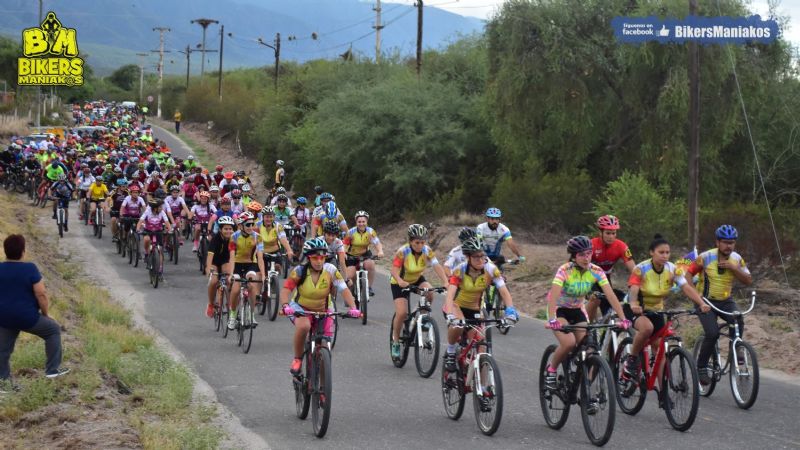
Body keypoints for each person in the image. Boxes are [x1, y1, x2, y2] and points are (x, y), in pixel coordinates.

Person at [543, 236, 629, 391]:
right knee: (568, 343)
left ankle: (583, 384)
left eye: (589, 254)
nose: (586, 258)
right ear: (574, 256)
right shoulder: (564, 270)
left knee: (588, 347)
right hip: (559, 309)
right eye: (581, 255)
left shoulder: (596, 271)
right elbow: (554, 296)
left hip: (577, 309)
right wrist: (551, 319)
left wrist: (623, 318)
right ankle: (551, 370)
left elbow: (610, 295)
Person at [621, 235, 707, 384]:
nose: (665, 256)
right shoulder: (641, 268)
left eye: (667, 252)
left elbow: (686, 287)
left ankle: (663, 393)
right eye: (661, 252)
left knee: (659, 350)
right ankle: (632, 359)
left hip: (657, 310)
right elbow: (634, 289)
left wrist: (701, 303)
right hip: (635, 308)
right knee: (647, 328)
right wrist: (634, 304)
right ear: (651, 253)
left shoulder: (672, 269)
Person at [279, 238, 360, 375]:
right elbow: (286, 289)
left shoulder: (331, 270)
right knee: (304, 326)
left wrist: (353, 308)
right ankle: (298, 359)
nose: (319, 261)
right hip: (301, 308)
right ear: (308, 258)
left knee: (324, 348)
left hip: (324, 309)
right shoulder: (299, 271)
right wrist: (285, 305)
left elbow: (343, 289)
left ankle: (323, 390)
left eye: (322, 257)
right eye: (315, 258)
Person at [685, 225, 752, 385]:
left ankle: (735, 351)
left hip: (726, 301)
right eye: (725, 242)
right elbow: (687, 276)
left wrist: (734, 269)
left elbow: (748, 280)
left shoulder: (736, 259)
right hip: (705, 301)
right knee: (713, 333)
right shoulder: (706, 257)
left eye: (732, 242)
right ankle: (701, 366)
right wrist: (696, 298)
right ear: (717, 242)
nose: (729, 246)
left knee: (738, 319)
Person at [442, 236, 519, 371]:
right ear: (468, 257)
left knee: (481, 348)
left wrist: (510, 310)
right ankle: (451, 351)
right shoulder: (460, 270)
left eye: (482, 256)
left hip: (475, 309)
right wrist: (450, 314)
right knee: (458, 325)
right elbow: (450, 295)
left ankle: (483, 388)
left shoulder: (491, 269)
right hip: (456, 306)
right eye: (476, 257)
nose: (480, 259)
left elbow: (504, 292)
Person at [0, 234, 70, 384]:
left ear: (5, 251)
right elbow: (41, 294)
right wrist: (46, 314)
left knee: (3, 350)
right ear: (23, 251)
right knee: (52, 330)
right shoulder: (30, 268)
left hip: (4, 317)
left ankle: (3, 382)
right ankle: (52, 370)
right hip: (27, 317)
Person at [389, 224, 448, 360]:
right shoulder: (402, 251)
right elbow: (394, 270)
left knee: (429, 292)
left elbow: (437, 266)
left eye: (422, 242)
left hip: (416, 279)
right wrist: (399, 281)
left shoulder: (427, 251)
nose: (420, 245)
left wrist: (445, 281)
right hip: (400, 282)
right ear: (410, 241)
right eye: (417, 242)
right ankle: (396, 342)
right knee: (402, 313)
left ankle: (422, 315)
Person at [587, 214, 636, 321]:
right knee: (595, 299)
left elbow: (633, 268)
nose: (611, 236)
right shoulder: (591, 245)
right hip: (589, 278)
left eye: (613, 233)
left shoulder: (621, 246)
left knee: (610, 306)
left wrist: (640, 280)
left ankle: (607, 331)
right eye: (608, 233)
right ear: (600, 232)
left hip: (605, 278)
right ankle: (587, 329)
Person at [227, 211, 265, 330]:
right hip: (237, 264)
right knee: (236, 289)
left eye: (252, 224)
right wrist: (231, 274)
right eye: (247, 225)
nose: (251, 227)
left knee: (252, 285)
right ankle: (232, 315)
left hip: (251, 264)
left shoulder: (257, 237)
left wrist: (263, 275)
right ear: (241, 226)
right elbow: (232, 258)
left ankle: (251, 314)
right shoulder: (234, 237)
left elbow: (260, 257)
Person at [343, 211, 384, 297]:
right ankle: (350, 291)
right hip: (351, 256)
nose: (361, 224)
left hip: (365, 254)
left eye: (363, 222)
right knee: (349, 275)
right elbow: (345, 245)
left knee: (370, 265)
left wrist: (380, 251)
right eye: (359, 222)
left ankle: (368, 287)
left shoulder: (370, 231)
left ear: (367, 222)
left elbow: (377, 243)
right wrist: (344, 253)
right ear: (356, 222)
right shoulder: (351, 232)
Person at [204, 216, 235, 318]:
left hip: (225, 261)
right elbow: (210, 255)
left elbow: (232, 256)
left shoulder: (233, 239)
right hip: (214, 261)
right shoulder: (215, 238)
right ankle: (211, 304)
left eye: (230, 229)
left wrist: (231, 272)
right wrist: (208, 269)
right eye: (226, 229)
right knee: (213, 281)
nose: (228, 231)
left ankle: (229, 303)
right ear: (221, 229)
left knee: (229, 279)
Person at [136, 199, 173, 277]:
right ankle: (147, 253)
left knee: (160, 250)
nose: (161, 208)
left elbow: (167, 222)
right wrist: (138, 229)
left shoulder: (162, 213)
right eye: (160, 207)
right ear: (155, 208)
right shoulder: (148, 212)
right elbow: (140, 221)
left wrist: (170, 230)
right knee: (146, 239)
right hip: (148, 230)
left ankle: (160, 268)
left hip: (158, 231)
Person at [258, 205, 294, 275]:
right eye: (267, 217)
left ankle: (274, 281)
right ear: (263, 217)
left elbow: (283, 238)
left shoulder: (278, 226)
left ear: (274, 217)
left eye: (271, 216)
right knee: (262, 273)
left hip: (275, 251)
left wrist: (289, 250)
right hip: (262, 252)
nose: (269, 219)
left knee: (277, 267)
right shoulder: (257, 225)